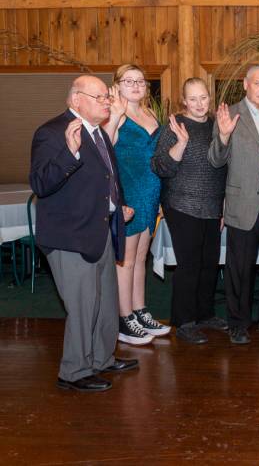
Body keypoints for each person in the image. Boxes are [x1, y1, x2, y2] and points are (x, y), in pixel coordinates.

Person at [30, 75, 138, 392]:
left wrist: (119, 205)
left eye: (107, 96)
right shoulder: (51, 133)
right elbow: (40, 183)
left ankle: (101, 359)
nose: (107, 101)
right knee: (82, 305)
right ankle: (74, 371)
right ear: (77, 99)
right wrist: (70, 153)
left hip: (100, 229)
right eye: (100, 96)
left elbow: (105, 178)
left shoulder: (97, 133)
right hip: (69, 236)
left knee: (104, 301)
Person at [208, 65, 259, 345]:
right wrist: (224, 135)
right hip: (243, 202)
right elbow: (215, 161)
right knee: (239, 267)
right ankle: (238, 323)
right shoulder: (229, 114)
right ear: (245, 84)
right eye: (258, 84)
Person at [151, 78, 229, 344]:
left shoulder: (217, 125)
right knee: (190, 265)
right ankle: (184, 322)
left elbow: (224, 167)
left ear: (210, 98)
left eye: (203, 98)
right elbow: (161, 167)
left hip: (212, 205)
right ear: (184, 101)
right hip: (181, 204)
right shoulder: (174, 127)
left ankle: (205, 313)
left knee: (209, 264)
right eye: (193, 99)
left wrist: (224, 204)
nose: (199, 104)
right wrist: (181, 143)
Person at [103, 64, 170, 345]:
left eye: (140, 81)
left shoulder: (149, 112)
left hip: (150, 192)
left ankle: (140, 310)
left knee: (141, 257)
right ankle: (124, 318)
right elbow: (104, 146)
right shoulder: (113, 114)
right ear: (117, 84)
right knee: (125, 260)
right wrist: (116, 115)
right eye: (128, 80)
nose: (135, 85)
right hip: (128, 193)